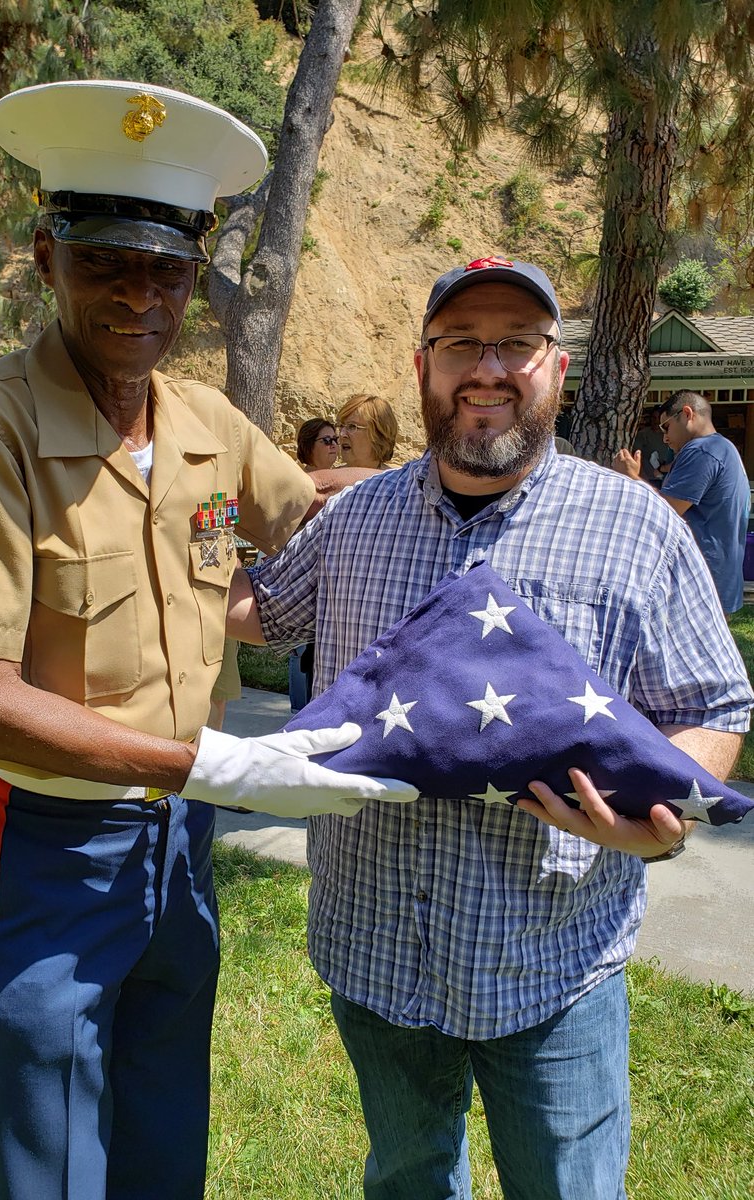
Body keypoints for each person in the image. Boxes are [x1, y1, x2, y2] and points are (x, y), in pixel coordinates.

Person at [0, 79, 416, 1200]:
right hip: (53, 841)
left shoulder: (204, 422)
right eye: (105, 263)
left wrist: (451, 485)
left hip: (180, 848)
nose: (140, 296)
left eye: (167, 269)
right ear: (46, 257)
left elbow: (315, 505)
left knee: (166, 1120)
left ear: (197, 274)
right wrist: (214, 765)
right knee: (50, 1145)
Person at [228, 256, 752, 1199]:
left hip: (552, 963)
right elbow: (251, 610)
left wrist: (658, 821)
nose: (488, 368)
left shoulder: (636, 526)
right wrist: (160, 510)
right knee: (408, 1179)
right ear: (422, 364)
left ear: (558, 366)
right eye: (462, 343)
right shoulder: (355, 521)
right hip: (375, 951)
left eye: (518, 342)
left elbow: (712, 706)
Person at [614, 390, 750, 614]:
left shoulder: (702, 450)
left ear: (687, 414)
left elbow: (666, 510)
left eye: (665, 427)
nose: (665, 438)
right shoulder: (725, 448)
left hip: (698, 581)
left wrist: (631, 478)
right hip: (719, 577)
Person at [337, 393, 398, 469]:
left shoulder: (396, 480)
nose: (342, 434)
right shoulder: (328, 479)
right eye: (341, 426)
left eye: (352, 426)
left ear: (378, 435)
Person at [630, 407, 673, 486]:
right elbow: (636, 453)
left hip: (667, 477)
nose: (656, 421)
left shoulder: (668, 434)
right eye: (654, 418)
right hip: (649, 478)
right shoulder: (643, 434)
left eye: (658, 418)